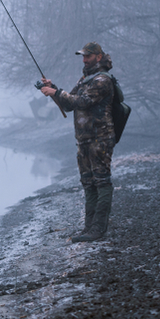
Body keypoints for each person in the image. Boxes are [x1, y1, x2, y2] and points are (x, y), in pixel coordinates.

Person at [38, 42, 116, 242]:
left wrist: (56, 93)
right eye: (83, 56)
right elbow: (70, 101)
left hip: (100, 139)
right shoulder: (85, 79)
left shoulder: (102, 80)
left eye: (87, 56)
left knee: (101, 182)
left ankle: (98, 229)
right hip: (84, 140)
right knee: (88, 183)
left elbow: (82, 102)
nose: (84, 60)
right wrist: (52, 88)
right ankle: (88, 229)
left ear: (98, 57)